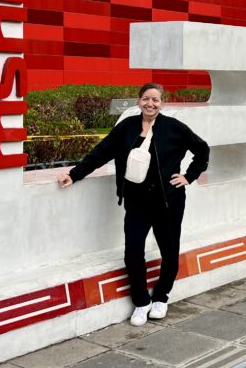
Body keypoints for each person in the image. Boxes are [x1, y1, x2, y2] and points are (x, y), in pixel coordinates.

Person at [58, 83, 209, 326]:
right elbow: (101, 152)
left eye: (156, 100)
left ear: (162, 103)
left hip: (168, 202)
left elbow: (202, 149)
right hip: (137, 202)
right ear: (139, 101)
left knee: (169, 252)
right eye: (146, 99)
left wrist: (188, 177)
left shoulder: (174, 128)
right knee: (133, 251)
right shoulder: (126, 128)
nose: (151, 104)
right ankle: (141, 302)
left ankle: (161, 297)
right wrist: (75, 174)